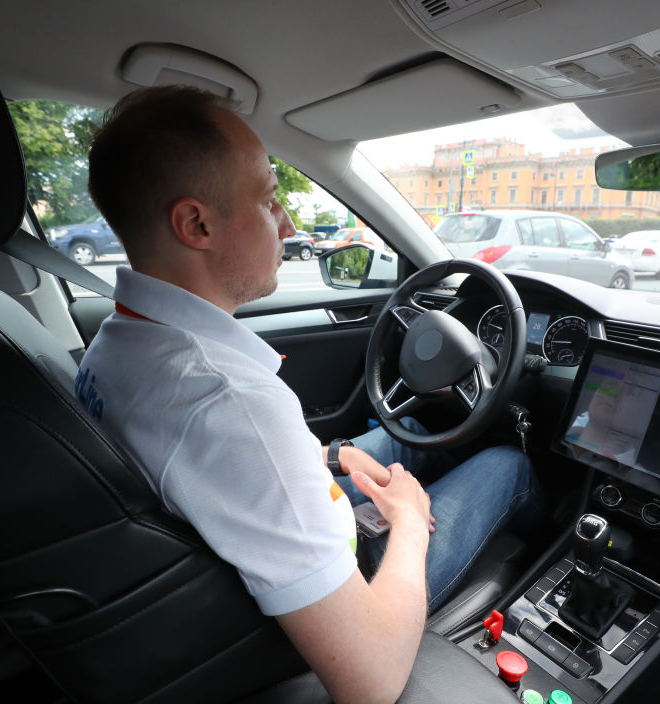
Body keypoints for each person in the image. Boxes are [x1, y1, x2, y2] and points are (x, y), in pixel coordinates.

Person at [80, 85, 539, 703]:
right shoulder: (225, 400)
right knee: (507, 464)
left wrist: (329, 456)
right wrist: (407, 524)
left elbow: (210, 467)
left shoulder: (119, 344)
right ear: (196, 223)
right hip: (344, 596)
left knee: (407, 443)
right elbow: (369, 679)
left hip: (251, 535)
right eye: (270, 202)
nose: (289, 224)